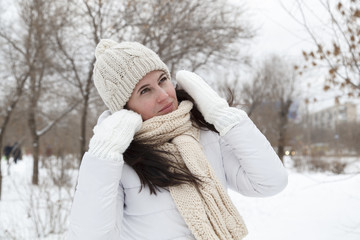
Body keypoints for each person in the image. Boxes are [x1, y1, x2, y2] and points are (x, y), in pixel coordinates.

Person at [67, 39, 288, 240]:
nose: (163, 95)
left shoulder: (205, 132)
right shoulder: (118, 161)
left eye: (162, 80)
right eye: (145, 91)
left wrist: (224, 116)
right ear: (125, 107)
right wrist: (103, 155)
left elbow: (270, 182)